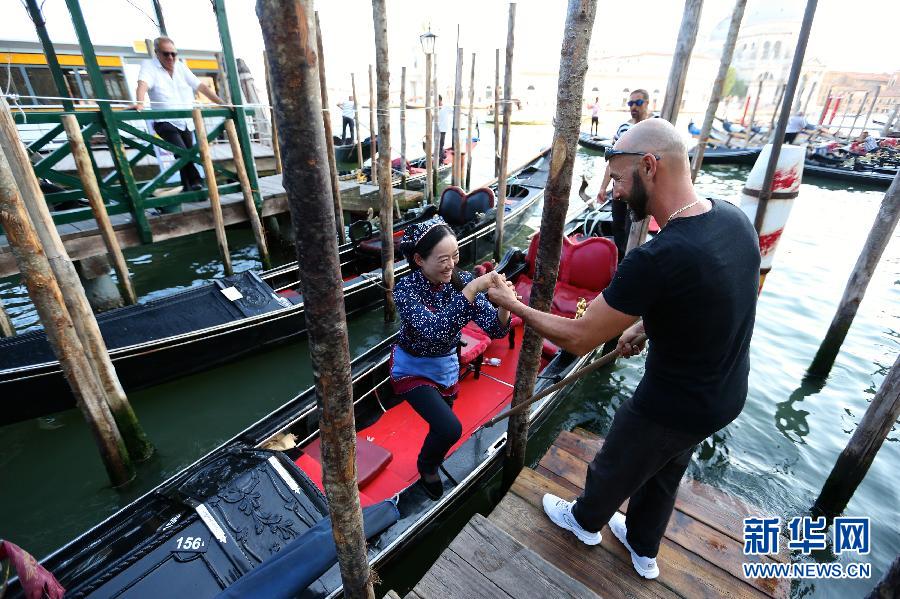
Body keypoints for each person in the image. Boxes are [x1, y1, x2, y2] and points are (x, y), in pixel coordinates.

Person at [487, 118, 760, 580]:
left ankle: (585, 522)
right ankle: (642, 546)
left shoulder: (657, 256)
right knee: (666, 469)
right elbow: (712, 296)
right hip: (726, 395)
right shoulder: (732, 217)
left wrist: (513, 305)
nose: (612, 191)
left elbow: (579, 337)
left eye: (616, 177)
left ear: (650, 166)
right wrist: (648, 326)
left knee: (619, 461)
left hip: (671, 402)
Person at [392, 217, 513, 500]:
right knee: (450, 427)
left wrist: (505, 304)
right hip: (412, 367)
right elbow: (434, 331)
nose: (451, 264)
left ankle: (431, 457)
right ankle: (427, 466)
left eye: (455, 256)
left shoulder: (462, 280)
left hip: (446, 365)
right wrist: (470, 291)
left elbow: (495, 328)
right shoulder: (405, 289)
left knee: (440, 427)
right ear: (419, 260)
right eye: (443, 259)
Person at [134, 36, 225, 193]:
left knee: (183, 154)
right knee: (184, 153)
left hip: (185, 121)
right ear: (157, 53)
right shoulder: (149, 66)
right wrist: (140, 103)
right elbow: (143, 84)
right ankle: (197, 181)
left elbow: (201, 86)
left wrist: (222, 103)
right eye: (166, 54)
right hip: (165, 121)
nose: (170, 57)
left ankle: (187, 188)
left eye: (173, 54)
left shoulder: (181, 67)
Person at [597, 89, 652, 258]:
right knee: (618, 228)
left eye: (638, 102)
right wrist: (603, 187)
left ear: (647, 104)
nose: (633, 106)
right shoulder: (623, 128)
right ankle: (621, 261)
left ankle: (630, 262)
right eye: (630, 103)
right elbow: (612, 161)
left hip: (639, 192)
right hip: (619, 189)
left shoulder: (655, 126)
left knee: (633, 230)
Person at [438, 95, 453, 161]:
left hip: (443, 129)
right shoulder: (435, 108)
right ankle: (443, 155)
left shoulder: (446, 107)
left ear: (440, 100)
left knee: (440, 144)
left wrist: (465, 114)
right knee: (438, 144)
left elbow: (455, 111)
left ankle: (441, 160)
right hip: (436, 129)